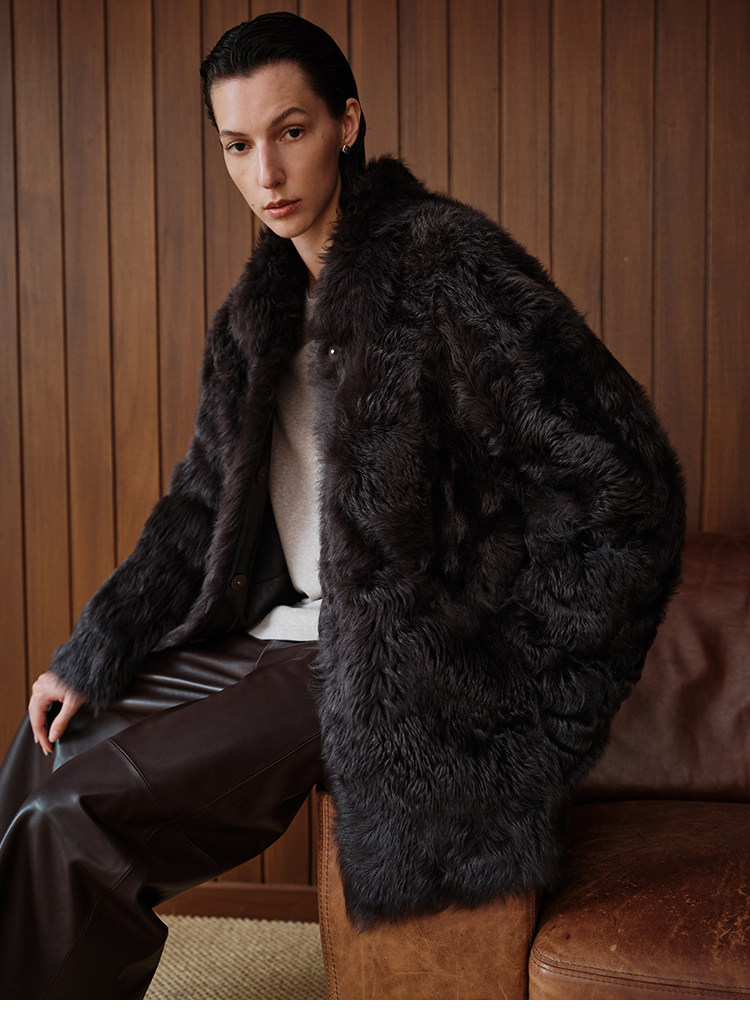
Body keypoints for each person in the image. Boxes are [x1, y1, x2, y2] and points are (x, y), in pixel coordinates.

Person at [0, 11, 685, 999]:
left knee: (71, 818)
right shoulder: (256, 317)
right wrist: (93, 647)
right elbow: (199, 507)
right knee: (40, 750)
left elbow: (623, 483)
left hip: (372, 659)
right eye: (238, 145)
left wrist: (510, 674)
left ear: (347, 123)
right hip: (267, 630)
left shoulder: (445, 268)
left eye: (292, 132)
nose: (267, 174)